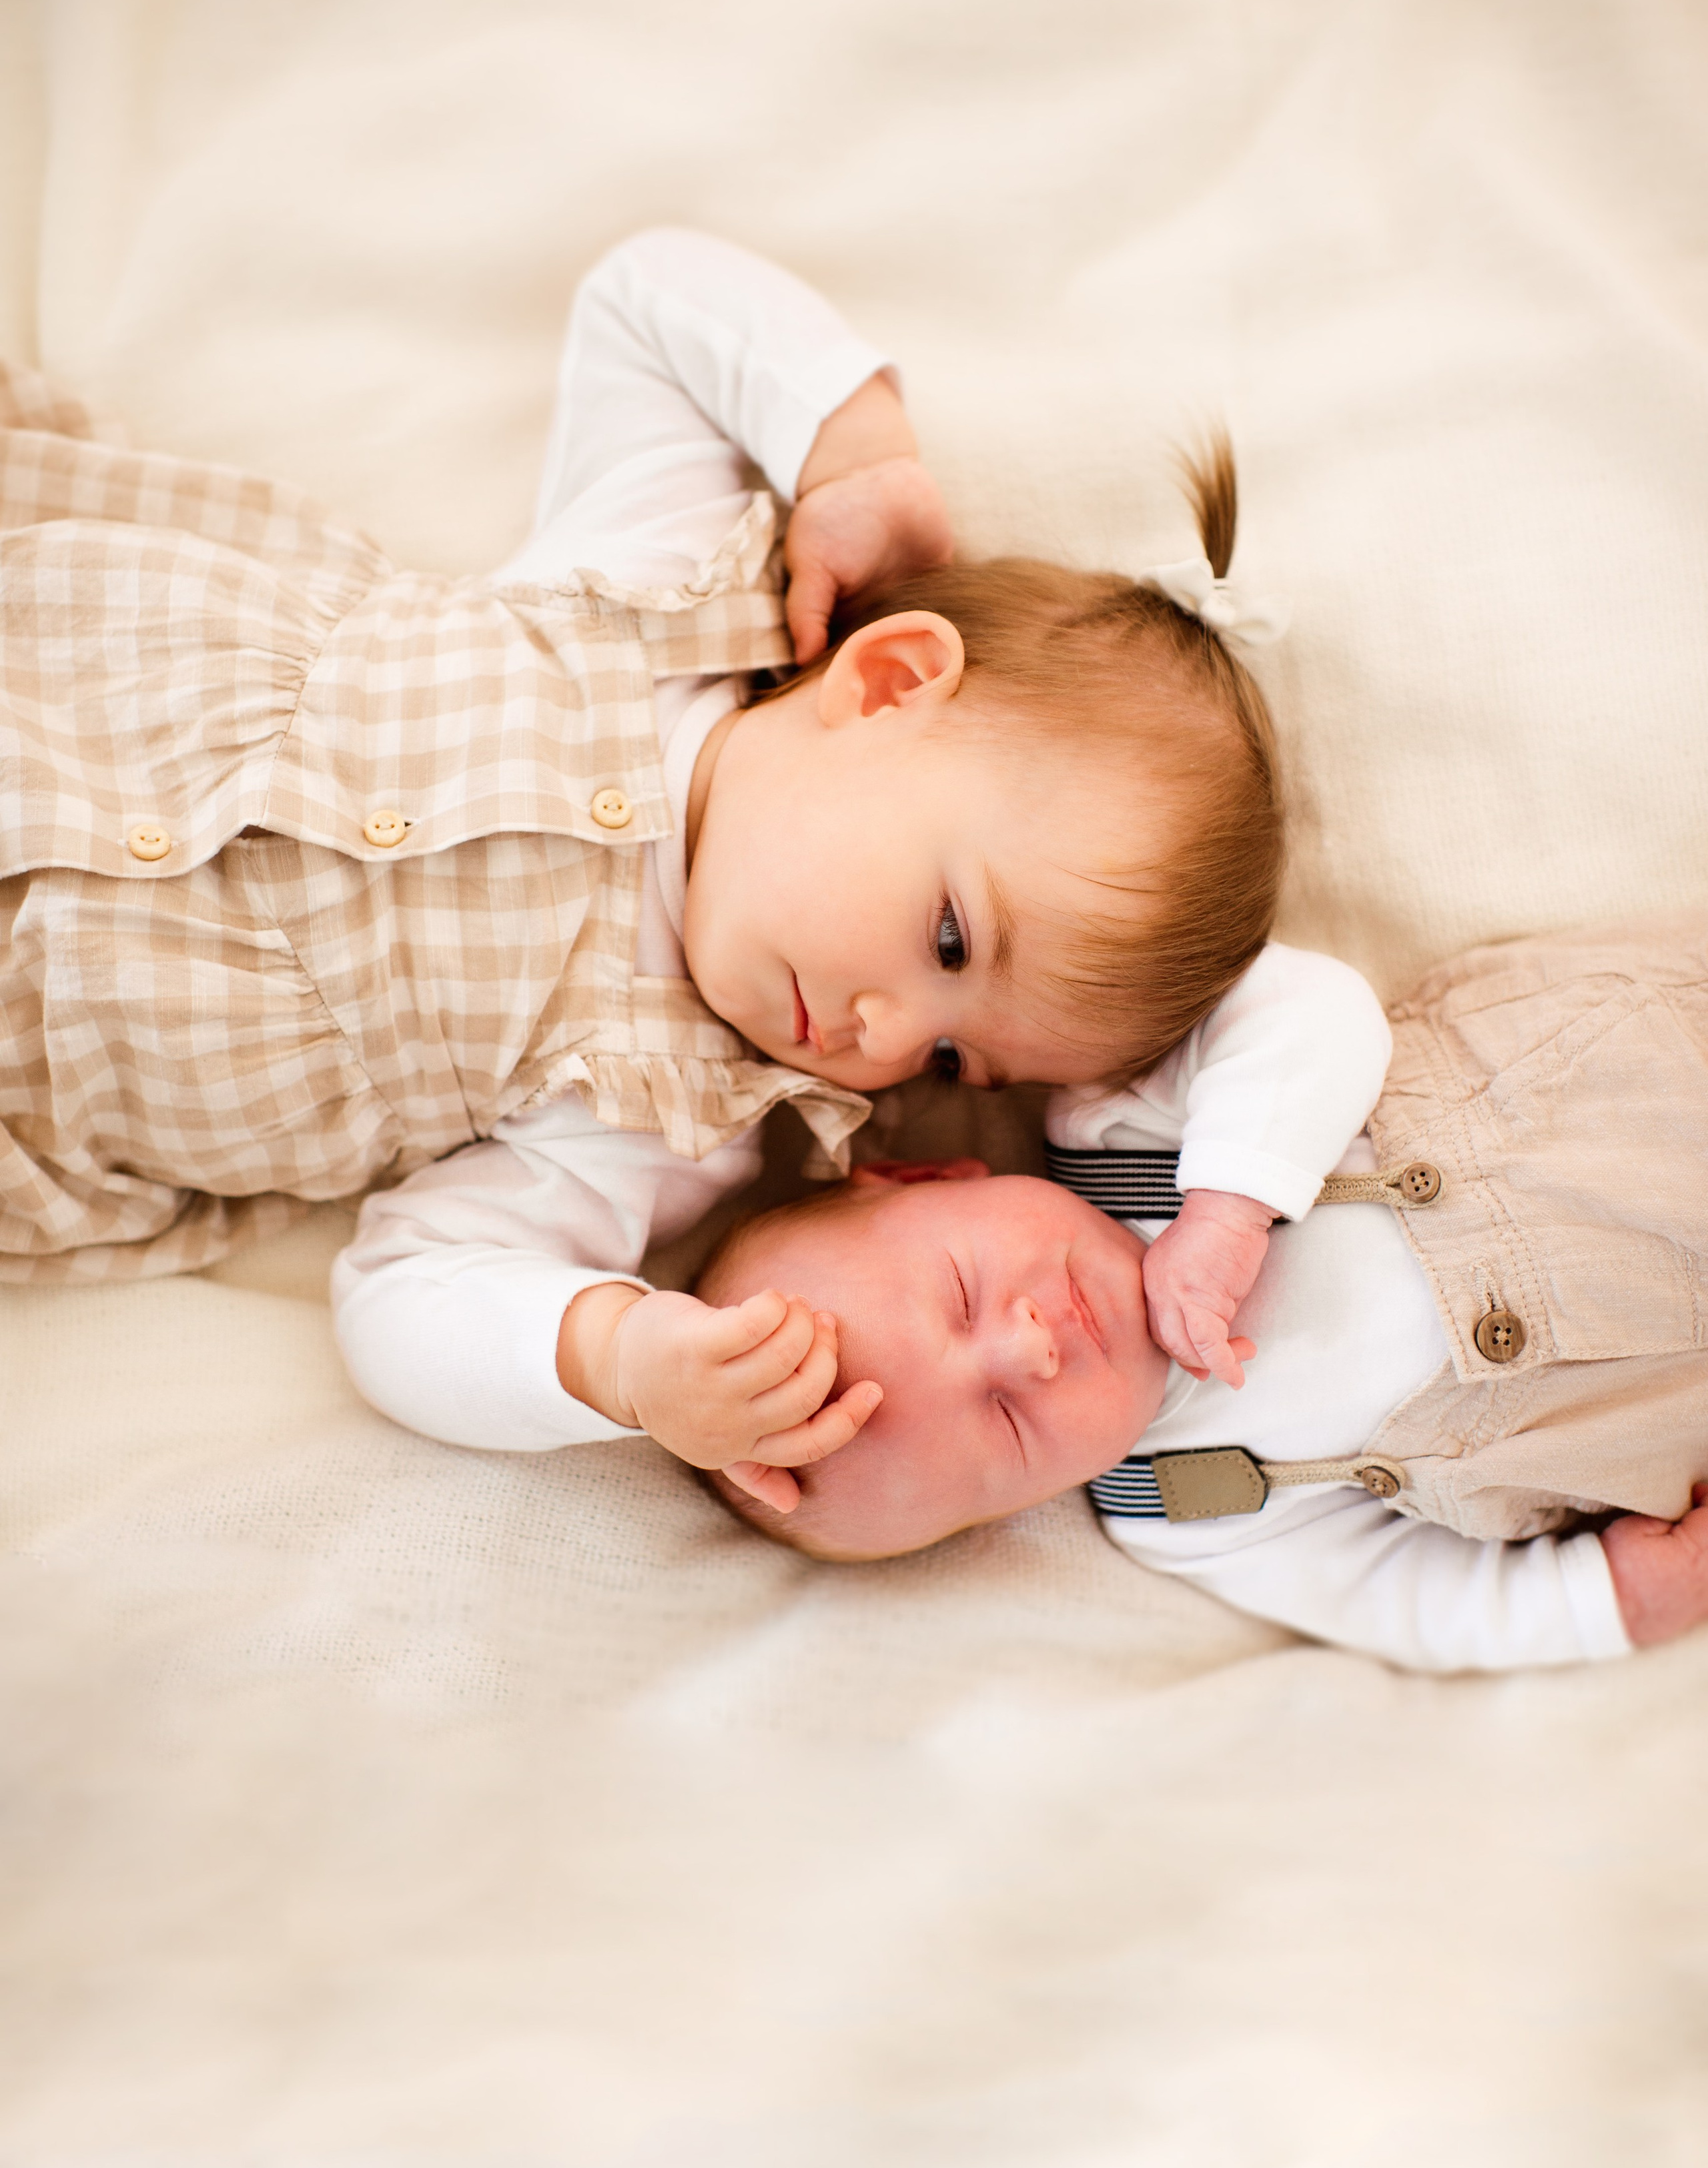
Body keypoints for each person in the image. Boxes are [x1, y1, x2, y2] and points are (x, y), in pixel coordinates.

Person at [2, 229, 1383, 1502]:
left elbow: (405, 1296)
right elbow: (649, 300)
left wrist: (611, 1357)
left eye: (954, 1066)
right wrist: (855, 458)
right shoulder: (662, 595)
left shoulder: (666, 1118)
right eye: (951, 939)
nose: (888, 1032)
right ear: (889, 680)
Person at [692, 921, 1708, 1674]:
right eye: (1007, 1429)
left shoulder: (1115, 1123)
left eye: (964, 1294)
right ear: (1020, 1508)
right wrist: (1607, 1602)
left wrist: (1230, 1205)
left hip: (1628, 1092)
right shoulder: (1186, 1506)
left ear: (931, 1179)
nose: (1030, 1352)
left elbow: (1306, 1003)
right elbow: (1402, 1602)